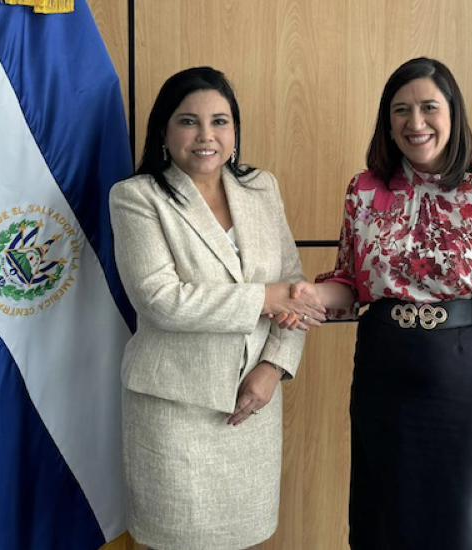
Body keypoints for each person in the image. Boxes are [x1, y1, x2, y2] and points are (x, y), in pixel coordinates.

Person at [294, 57, 472, 549]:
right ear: (388, 123)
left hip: (467, 384)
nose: (415, 123)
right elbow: (352, 284)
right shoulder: (365, 191)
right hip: (383, 379)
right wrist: (310, 295)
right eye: (401, 111)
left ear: (453, 113)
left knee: (464, 529)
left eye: (428, 107)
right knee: (384, 524)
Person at [109, 67, 325, 550]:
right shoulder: (136, 197)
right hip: (174, 411)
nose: (206, 135)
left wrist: (275, 366)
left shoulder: (260, 187)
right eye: (189, 121)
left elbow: (296, 290)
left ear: (234, 131)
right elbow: (160, 299)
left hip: (253, 406)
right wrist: (265, 297)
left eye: (220, 121)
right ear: (164, 131)